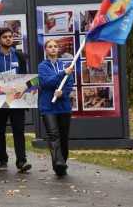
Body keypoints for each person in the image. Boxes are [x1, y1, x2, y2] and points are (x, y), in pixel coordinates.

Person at [0, 27, 32, 173]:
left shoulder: (19, 56)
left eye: (10, 36)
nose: (8, 39)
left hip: (17, 99)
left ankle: (21, 161)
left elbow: (25, 76)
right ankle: (3, 159)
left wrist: (27, 88)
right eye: (5, 37)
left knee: (19, 130)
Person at [38, 39, 74, 177]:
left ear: (58, 49)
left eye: (55, 46)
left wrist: (62, 93)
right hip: (48, 107)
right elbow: (46, 82)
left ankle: (63, 162)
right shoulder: (43, 66)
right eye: (50, 47)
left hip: (64, 107)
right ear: (46, 50)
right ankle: (58, 163)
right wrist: (62, 74)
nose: (53, 49)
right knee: (54, 136)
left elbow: (69, 84)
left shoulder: (65, 66)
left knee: (63, 137)